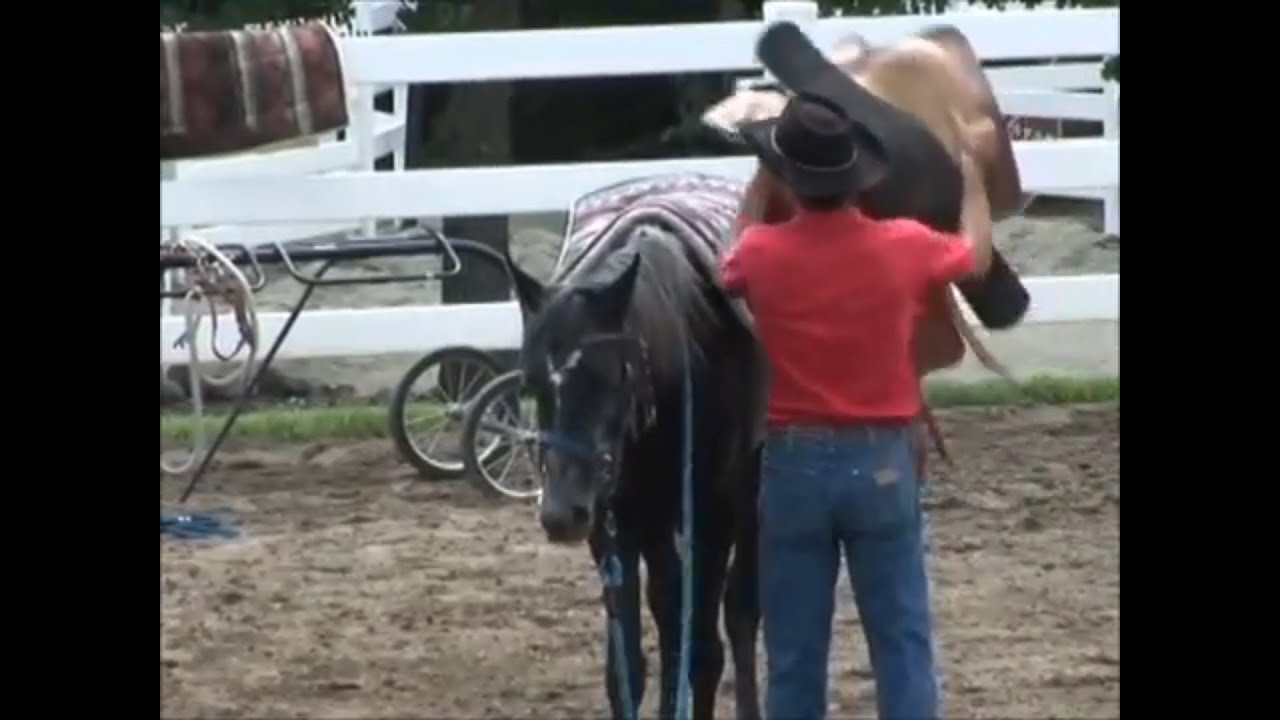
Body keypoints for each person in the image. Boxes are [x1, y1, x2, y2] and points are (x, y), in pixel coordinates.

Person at [718, 91, 992, 720]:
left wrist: (758, 186)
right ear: (855, 174)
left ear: (792, 177)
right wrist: (972, 176)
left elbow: (728, 264)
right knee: (901, 645)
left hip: (793, 465)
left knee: (792, 655)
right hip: (882, 460)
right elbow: (974, 253)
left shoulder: (762, 254)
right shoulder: (904, 245)